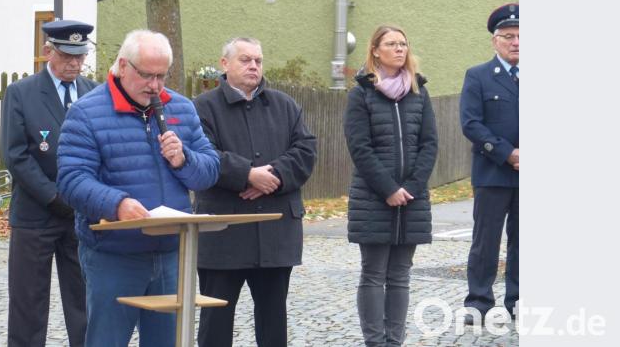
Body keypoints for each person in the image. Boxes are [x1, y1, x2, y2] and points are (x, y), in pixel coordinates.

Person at [56, 29, 220, 347]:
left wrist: (184, 159)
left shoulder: (182, 109)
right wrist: (117, 204)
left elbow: (210, 171)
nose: (155, 86)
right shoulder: (87, 113)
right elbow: (72, 180)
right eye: (147, 75)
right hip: (114, 254)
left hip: (174, 253)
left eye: (162, 76)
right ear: (122, 65)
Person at [193, 37, 317, 347]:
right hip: (223, 234)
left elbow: (306, 149)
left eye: (258, 61)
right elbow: (201, 153)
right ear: (225, 64)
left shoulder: (284, 105)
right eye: (245, 60)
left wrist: (273, 175)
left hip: (276, 232)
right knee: (215, 323)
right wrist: (246, 174)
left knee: (273, 323)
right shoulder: (203, 107)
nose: (253, 66)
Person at [1, 19, 98, 347]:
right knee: (28, 303)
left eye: (80, 56)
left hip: (81, 215)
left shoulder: (92, 93)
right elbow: (16, 156)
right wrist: (54, 197)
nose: (75, 63)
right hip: (35, 214)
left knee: (84, 300)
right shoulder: (22, 93)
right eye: (68, 55)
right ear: (48, 52)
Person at [343, 25, 438, 347]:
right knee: (373, 274)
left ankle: (394, 341)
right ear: (375, 51)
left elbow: (429, 144)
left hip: (412, 198)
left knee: (400, 275)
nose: (399, 49)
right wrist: (388, 189)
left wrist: (411, 186)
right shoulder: (361, 94)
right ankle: (375, 342)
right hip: (373, 198)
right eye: (391, 44)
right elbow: (360, 147)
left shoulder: (418, 92)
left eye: (403, 44)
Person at [460, 3, 519, 324]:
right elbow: (471, 123)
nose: (516, 42)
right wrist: (508, 153)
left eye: (522, 36)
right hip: (492, 173)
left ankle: (519, 299)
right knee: (486, 241)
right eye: (508, 36)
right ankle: (479, 301)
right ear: (495, 40)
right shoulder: (479, 76)